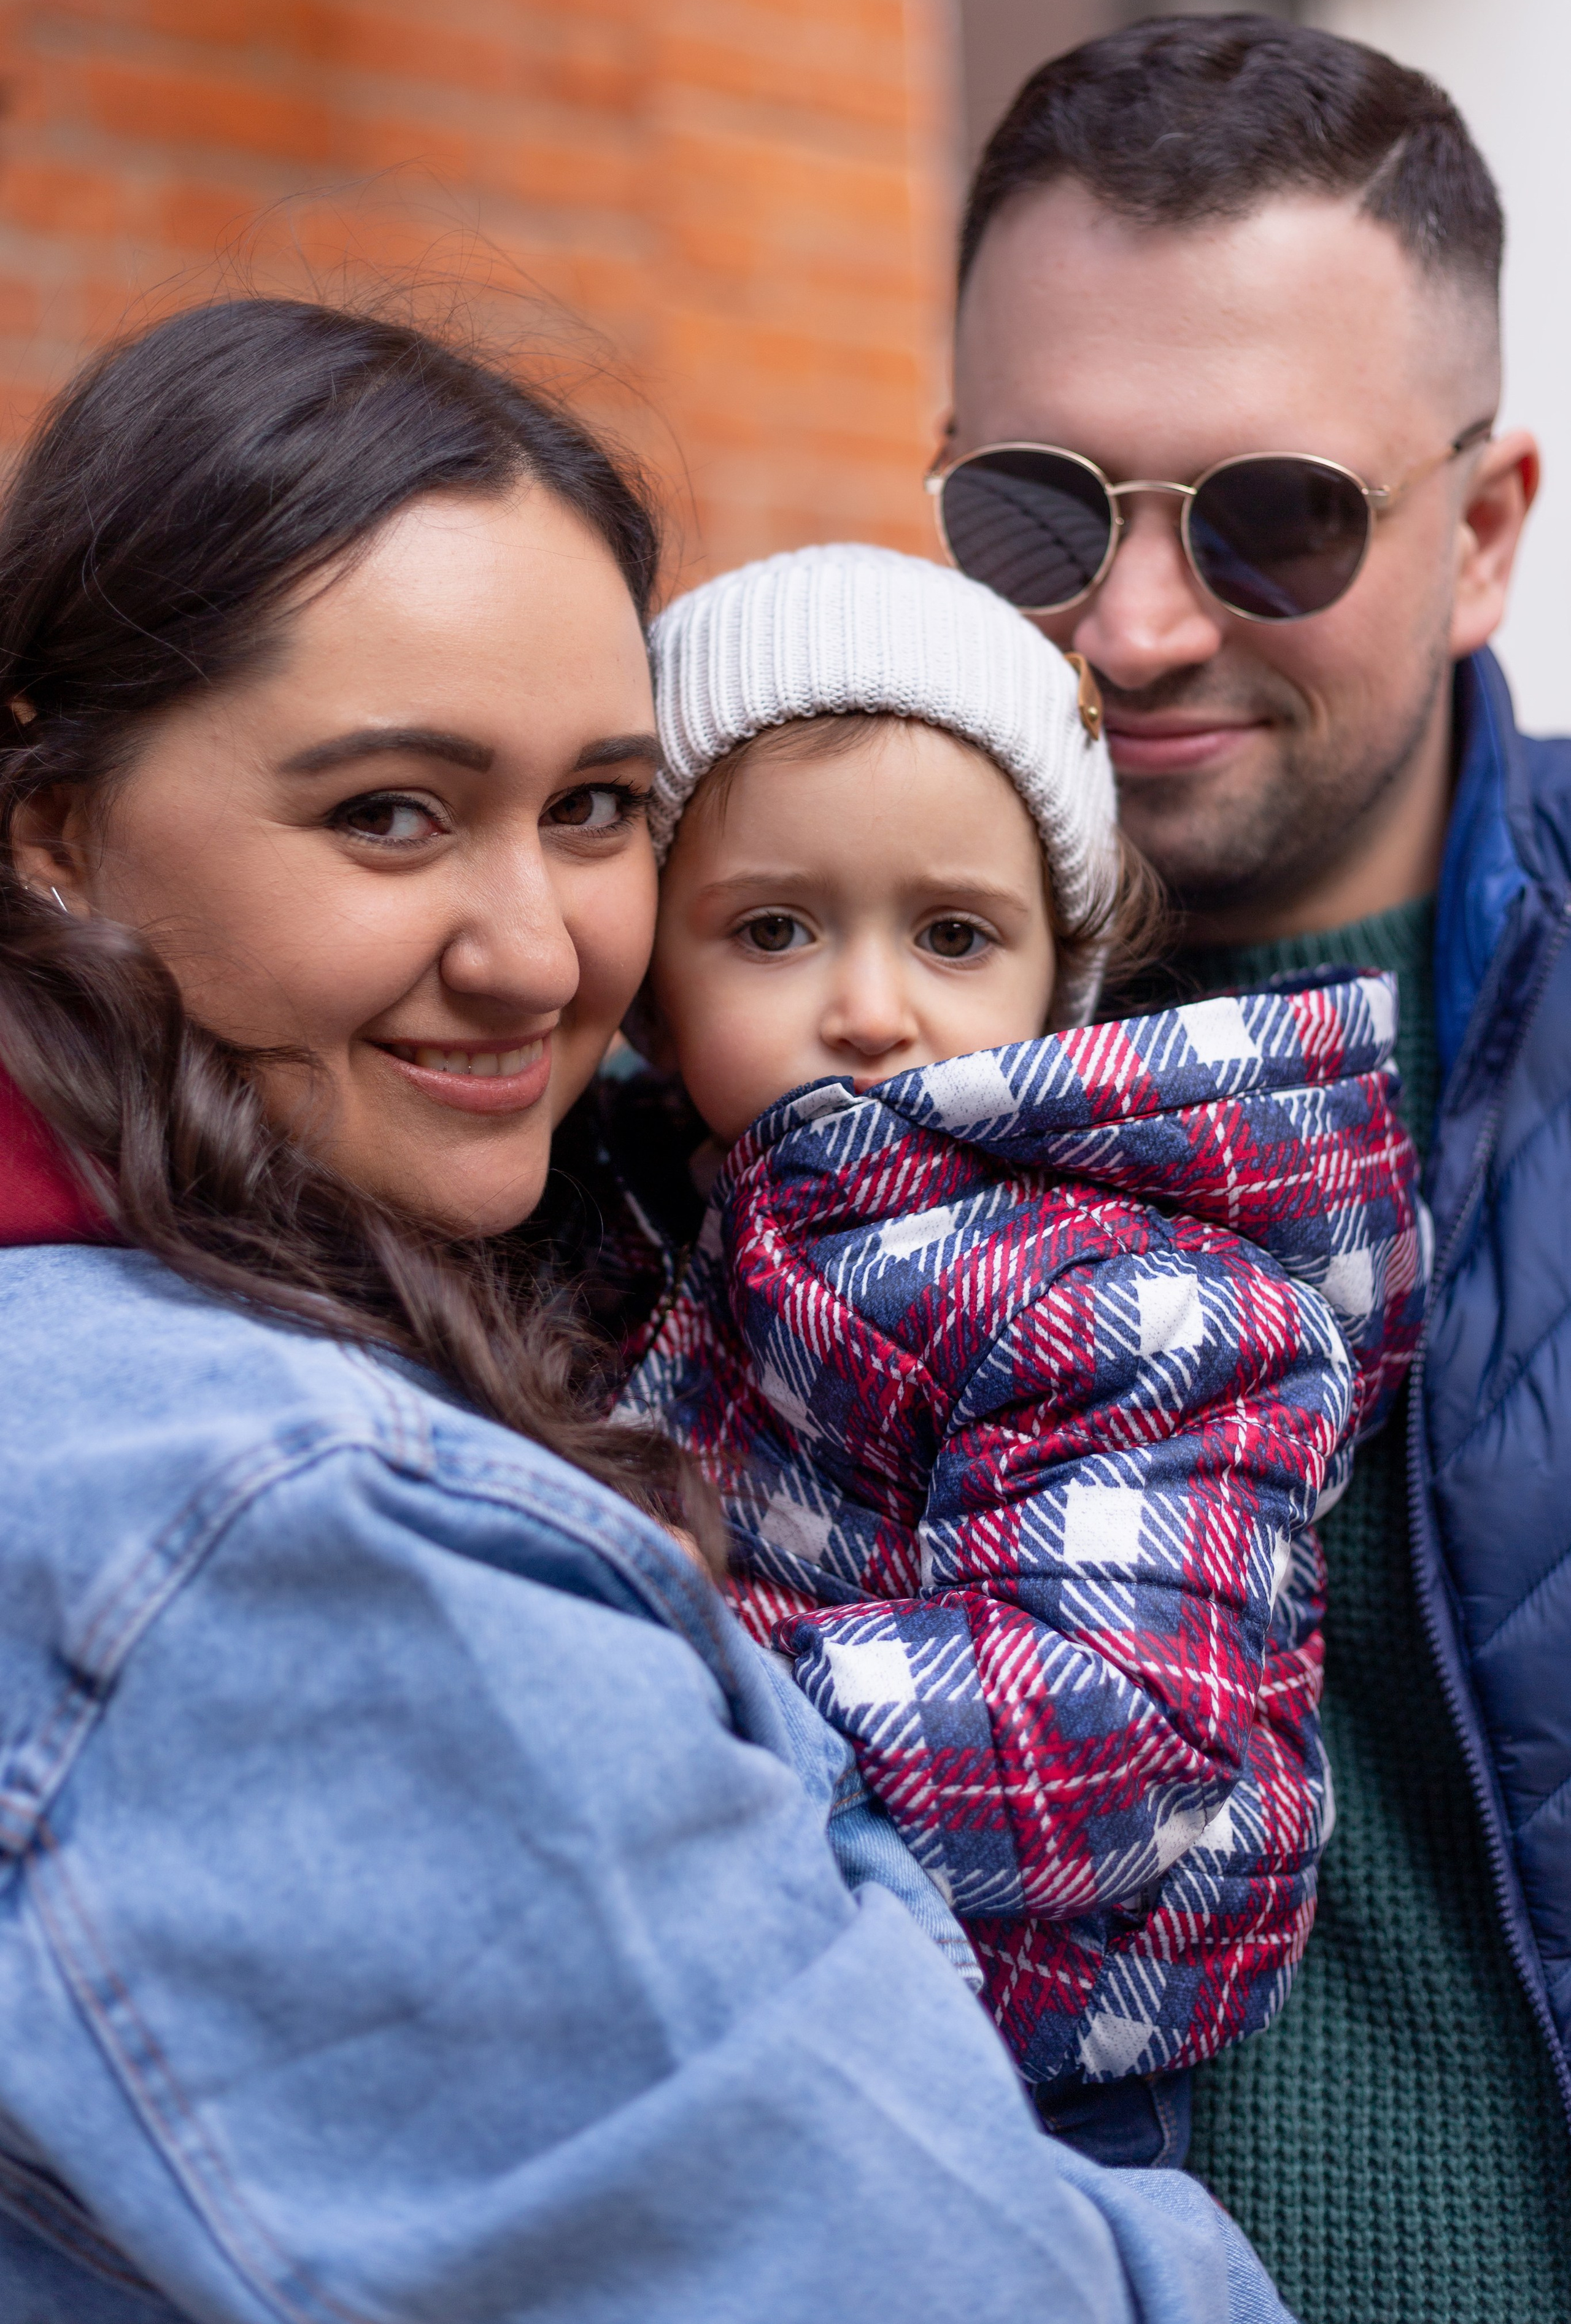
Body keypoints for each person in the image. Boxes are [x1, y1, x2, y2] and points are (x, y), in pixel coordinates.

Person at [0, 292, 1297, 2324]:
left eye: (597, 807)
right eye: (389, 812)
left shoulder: (410, 1265)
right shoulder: (268, 1516)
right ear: (53, 829)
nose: (534, 952)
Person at [936, 10, 1571, 2323]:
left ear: (1485, 532)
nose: (1134, 629)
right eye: (1035, 510)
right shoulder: (758, 1034)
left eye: (1274, 517)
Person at [614, 537, 1426, 2164]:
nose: (870, 1006)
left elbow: (1121, 1717)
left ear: (1065, 975)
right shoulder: (662, 1216)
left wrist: (648, 1684)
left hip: (1039, 2068)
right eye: (774, 929)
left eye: (955, 936)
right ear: (647, 983)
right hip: (778, 1970)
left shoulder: (1129, 1296)